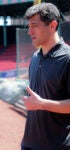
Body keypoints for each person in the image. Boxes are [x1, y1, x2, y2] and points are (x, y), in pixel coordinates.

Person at [21, 2, 70, 150]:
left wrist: (42, 104)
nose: (30, 31)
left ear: (53, 25)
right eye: (29, 26)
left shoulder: (67, 58)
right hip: (29, 144)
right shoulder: (35, 57)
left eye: (34, 26)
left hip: (57, 146)